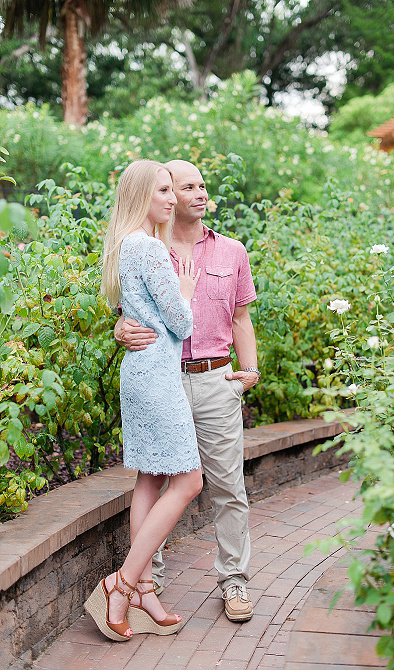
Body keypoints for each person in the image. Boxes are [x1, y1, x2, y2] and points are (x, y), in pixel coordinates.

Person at [113, 159, 260, 623]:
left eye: (202, 186)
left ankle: (234, 582)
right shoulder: (151, 246)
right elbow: (130, 311)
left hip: (216, 379)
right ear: (167, 193)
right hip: (165, 377)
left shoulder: (231, 251)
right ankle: (141, 581)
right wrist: (120, 328)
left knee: (227, 486)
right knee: (156, 481)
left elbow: (241, 318)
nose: (197, 194)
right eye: (185, 186)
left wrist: (250, 370)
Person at [86, 160, 203, 640]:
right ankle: (123, 582)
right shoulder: (150, 248)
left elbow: (132, 312)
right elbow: (181, 322)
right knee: (189, 481)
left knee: (150, 479)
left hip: (140, 372)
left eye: (172, 190)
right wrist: (187, 292)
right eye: (162, 191)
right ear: (140, 196)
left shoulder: (123, 246)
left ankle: (145, 590)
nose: (172, 199)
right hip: (156, 377)